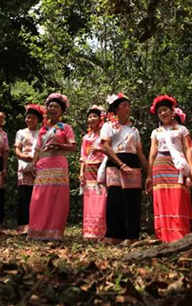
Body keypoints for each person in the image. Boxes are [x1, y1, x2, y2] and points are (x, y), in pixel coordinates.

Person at [99, 93, 150, 245]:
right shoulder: (108, 126)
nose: (128, 108)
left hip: (133, 163)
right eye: (124, 105)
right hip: (115, 163)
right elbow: (106, 147)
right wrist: (121, 164)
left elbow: (140, 154)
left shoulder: (134, 130)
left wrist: (149, 174)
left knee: (132, 200)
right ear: (115, 109)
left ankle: (131, 235)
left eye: (129, 106)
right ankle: (114, 235)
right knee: (115, 199)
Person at [28, 93, 76, 241]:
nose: (52, 109)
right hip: (43, 165)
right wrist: (33, 164)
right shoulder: (42, 129)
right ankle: (37, 230)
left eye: (56, 107)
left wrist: (60, 145)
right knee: (39, 197)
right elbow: (37, 149)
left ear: (61, 111)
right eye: (50, 106)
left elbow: (73, 147)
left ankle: (55, 232)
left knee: (56, 198)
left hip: (58, 164)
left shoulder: (65, 128)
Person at [148, 95, 192, 242]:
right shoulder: (156, 132)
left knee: (178, 198)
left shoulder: (182, 129)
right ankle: (163, 236)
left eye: (165, 110)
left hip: (177, 165)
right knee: (162, 199)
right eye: (160, 111)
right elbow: (152, 153)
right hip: (160, 166)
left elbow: (188, 149)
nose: (163, 113)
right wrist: (149, 175)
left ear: (172, 111)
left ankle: (180, 235)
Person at [14, 104, 44, 234]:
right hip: (24, 166)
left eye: (32, 118)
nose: (29, 120)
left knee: (37, 197)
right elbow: (17, 148)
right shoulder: (21, 132)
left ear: (38, 120)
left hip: (38, 167)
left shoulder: (42, 133)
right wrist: (22, 156)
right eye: (28, 117)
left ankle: (36, 224)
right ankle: (23, 226)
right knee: (24, 196)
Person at [79, 105, 107, 240]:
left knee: (102, 196)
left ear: (100, 118)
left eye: (94, 116)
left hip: (101, 166)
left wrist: (100, 150)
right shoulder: (86, 138)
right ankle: (89, 231)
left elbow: (109, 150)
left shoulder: (104, 134)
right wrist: (81, 172)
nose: (91, 119)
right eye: (89, 116)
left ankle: (101, 230)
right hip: (89, 168)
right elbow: (83, 156)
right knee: (89, 197)